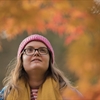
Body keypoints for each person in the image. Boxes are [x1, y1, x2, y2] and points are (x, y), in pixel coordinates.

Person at [0, 34, 83, 100]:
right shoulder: (6, 94)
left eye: (42, 50)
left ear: (50, 59)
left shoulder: (68, 93)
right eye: (29, 50)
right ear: (21, 59)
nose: (36, 53)